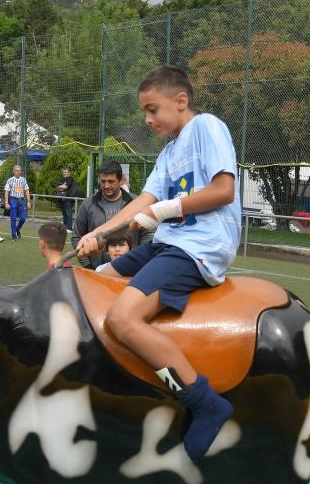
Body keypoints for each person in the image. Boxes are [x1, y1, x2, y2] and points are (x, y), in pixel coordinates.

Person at [73, 65, 242, 460]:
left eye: (153, 110)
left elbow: (224, 190)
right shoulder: (168, 151)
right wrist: (99, 235)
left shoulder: (208, 128)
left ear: (180, 101)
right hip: (167, 243)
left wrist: (167, 209)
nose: (148, 120)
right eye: (145, 113)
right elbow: (141, 203)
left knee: (122, 318)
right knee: (97, 281)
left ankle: (204, 402)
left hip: (198, 246)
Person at [74, 159, 138, 269]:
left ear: (121, 180)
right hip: (96, 271)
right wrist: (88, 266)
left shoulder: (135, 202)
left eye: (111, 181)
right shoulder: (88, 204)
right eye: (103, 181)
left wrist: (138, 259)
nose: (106, 185)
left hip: (131, 270)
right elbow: (77, 237)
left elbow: (147, 233)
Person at [4, 164, 32, 241]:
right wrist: (6, 202)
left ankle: (17, 229)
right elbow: (6, 191)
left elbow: (27, 190)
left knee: (23, 218)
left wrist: (29, 201)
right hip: (13, 200)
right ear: (14, 171)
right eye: (17, 170)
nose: (19, 172)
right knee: (13, 218)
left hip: (22, 200)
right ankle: (13, 234)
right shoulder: (10, 180)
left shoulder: (23, 180)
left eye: (20, 170)